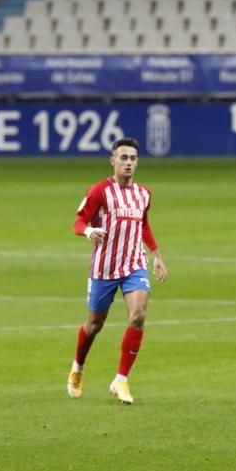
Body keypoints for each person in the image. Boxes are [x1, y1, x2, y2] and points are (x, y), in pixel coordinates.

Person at [67, 138, 168, 404]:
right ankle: (78, 367)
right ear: (113, 161)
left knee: (138, 315)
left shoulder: (144, 194)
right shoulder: (100, 191)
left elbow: (143, 224)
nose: (128, 163)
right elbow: (78, 221)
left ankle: (121, 380)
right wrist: (89, 230)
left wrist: (156, 255)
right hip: (104, 267)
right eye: (123, 158)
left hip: (134, 264)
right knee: (94, 325)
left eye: (133, 158)